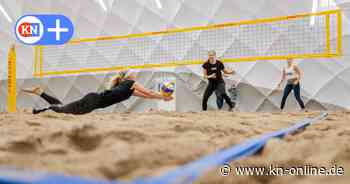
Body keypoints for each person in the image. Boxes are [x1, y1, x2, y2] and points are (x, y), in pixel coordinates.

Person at [21, 70, 173, 115]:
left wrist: (162, 97)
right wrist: (164, 96)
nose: (136, 74)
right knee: (63, 111)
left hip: (94, 102)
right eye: (134, 73)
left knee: (63, 109)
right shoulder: (131, 83)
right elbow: (149, 92)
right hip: (94, 101)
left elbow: (147, 95)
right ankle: (39, 110)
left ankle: (40, 92)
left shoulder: (129, 89)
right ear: (128, 76)